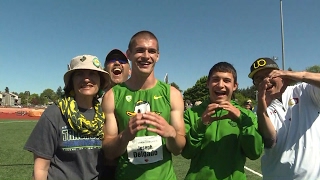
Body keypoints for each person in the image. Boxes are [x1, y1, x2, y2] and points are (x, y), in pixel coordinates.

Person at [101, 30, 186, 180]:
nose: (146, 56)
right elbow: (109, 152)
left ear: (157, 56)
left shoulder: (173, 94)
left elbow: (178, 149)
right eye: (140, 50)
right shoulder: (112, 96)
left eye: (152, 51)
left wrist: (171, 133)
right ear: (129, 54)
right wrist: (125, 136)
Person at [24, 55, 112, 180]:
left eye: (92, 74)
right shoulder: (54, 113)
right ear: (71, 82)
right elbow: (40, 169)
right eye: (79, 74)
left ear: (100, 81)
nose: (86, 79)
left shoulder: (104, 114)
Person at [182, 62, 263, 180]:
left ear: (235, 86)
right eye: (215, 79)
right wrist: (201, 123)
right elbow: (186, 153)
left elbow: (254, 153)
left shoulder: (247, 115)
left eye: (226, 80)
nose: (220, 85)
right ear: (207, 84)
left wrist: (241, 120)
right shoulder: (192, 113)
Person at [248, 57, 320, 179]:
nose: (266, 80)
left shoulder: (304, 90)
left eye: (270, 75)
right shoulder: (257, 111)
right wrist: (262, 110)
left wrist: (294, 75)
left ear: (281, 75)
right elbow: (270, 141)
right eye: (259, 79)